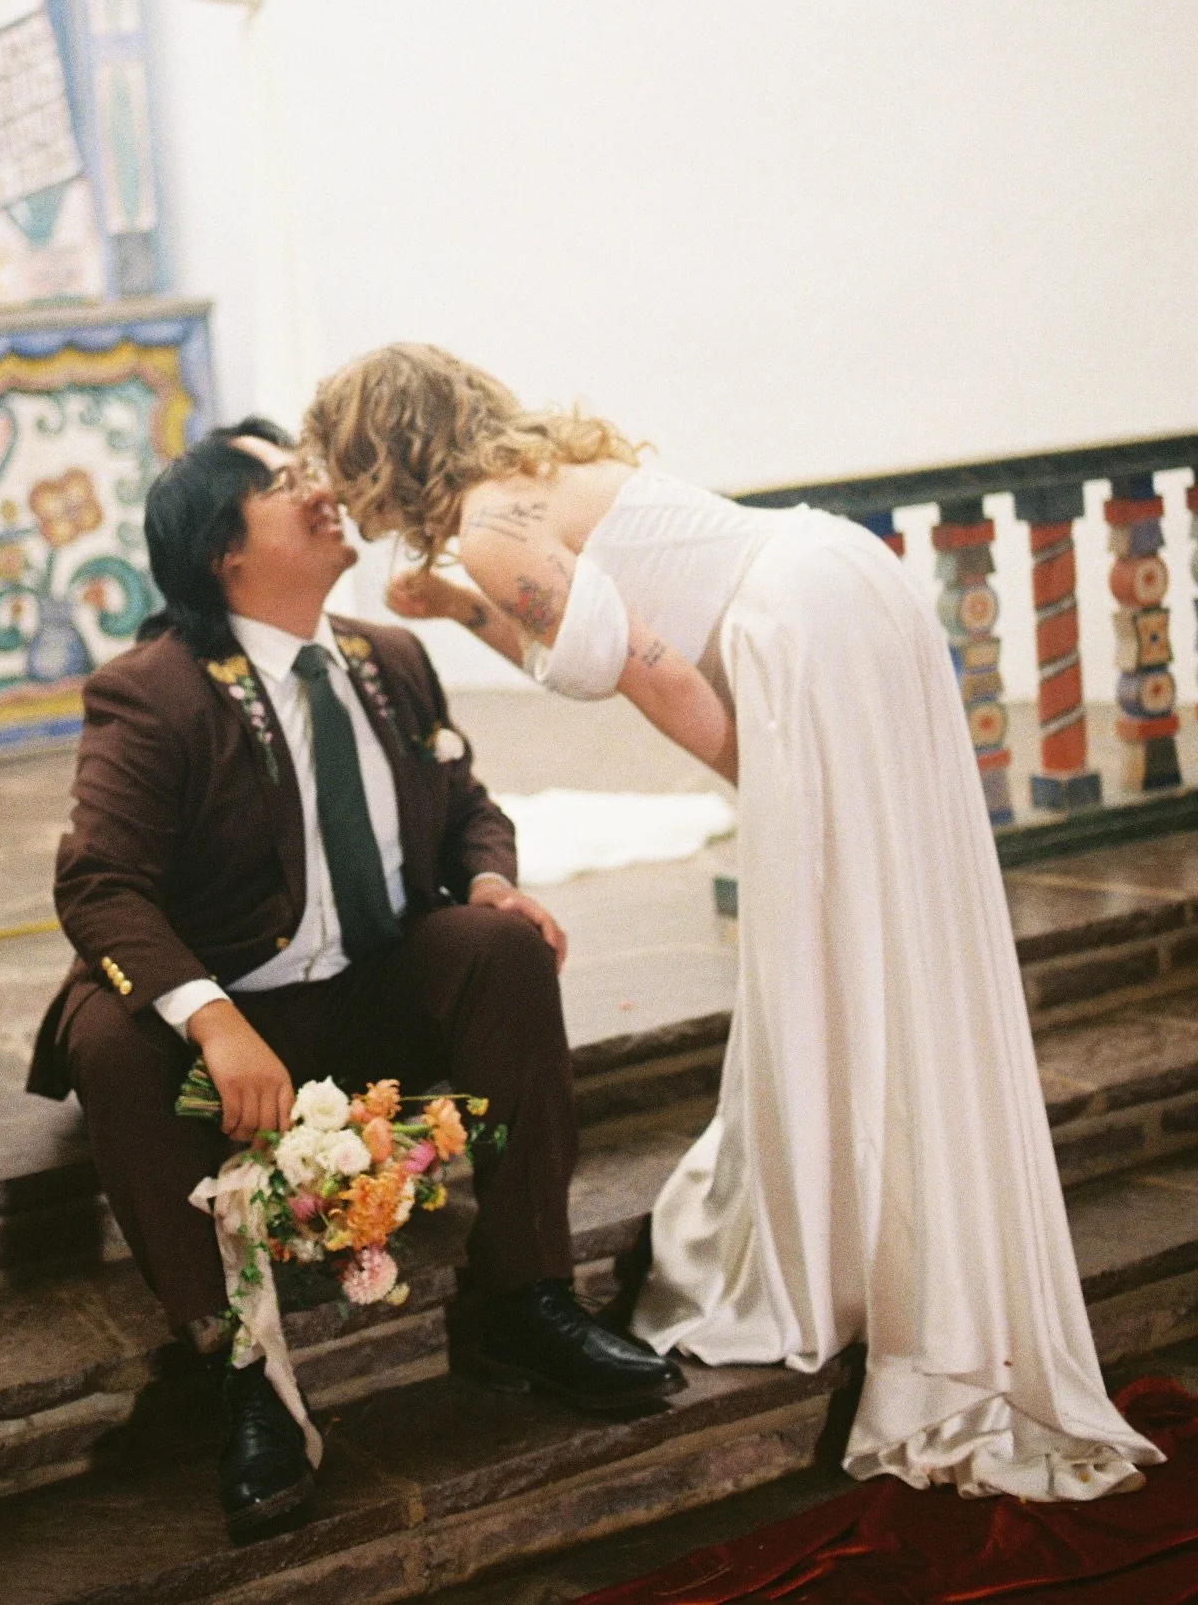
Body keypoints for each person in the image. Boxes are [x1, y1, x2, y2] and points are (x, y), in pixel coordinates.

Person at [302, 344, 1162, 1502]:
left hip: (804, 635)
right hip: (840, 581)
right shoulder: (531, 482)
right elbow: (589, 641)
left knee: (829, 943)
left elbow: (653, 673)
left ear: (376, 457)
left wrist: (771, 786)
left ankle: (875, 1253)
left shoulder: (494, 526)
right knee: (890, 929)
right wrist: (459, 606)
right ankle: (906, 1221)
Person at [25, 416, 682, 1541]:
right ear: (224, 549)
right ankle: (242, 1373)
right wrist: (214, 1018)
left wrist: (488, 880)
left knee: (503, 949)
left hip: (366, 987)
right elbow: (99, 884)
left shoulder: (388, 660)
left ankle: (524, 1298)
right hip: (233, 1010)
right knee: (109, 1037)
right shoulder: (154, 691)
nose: (321, 487)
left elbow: (467, 805)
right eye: (285, 481)